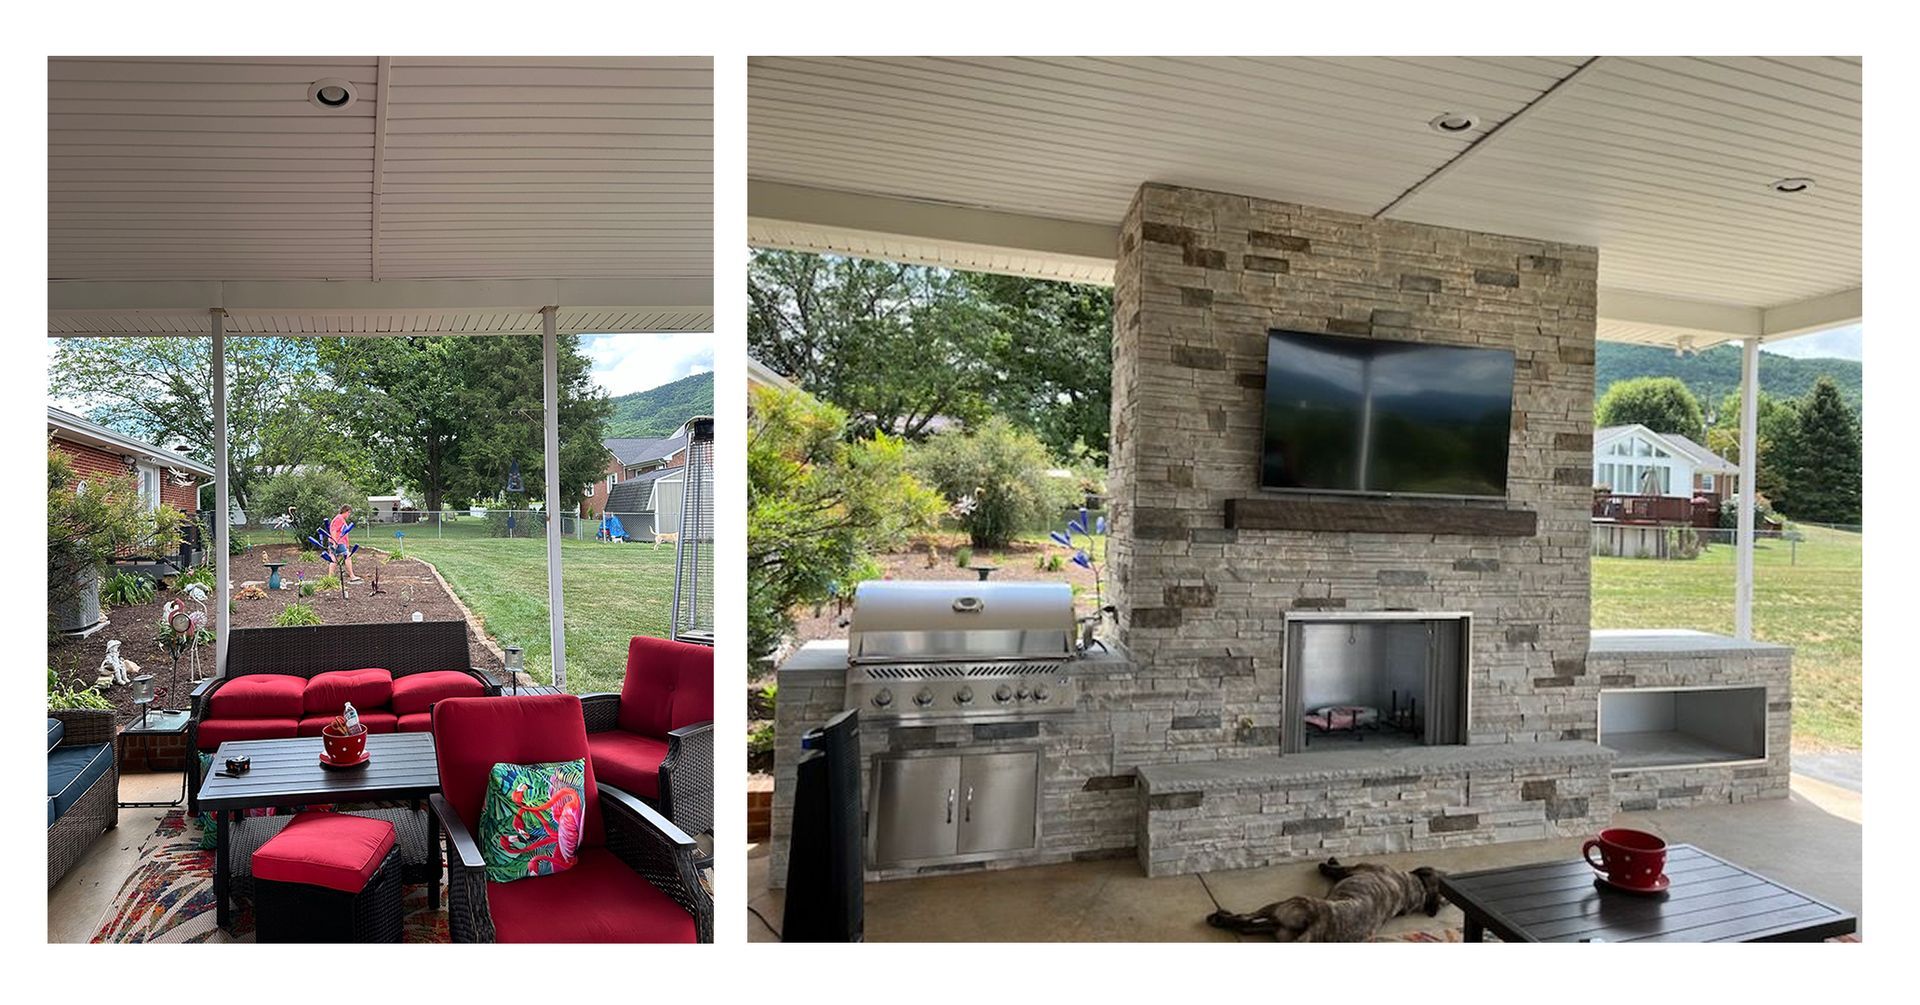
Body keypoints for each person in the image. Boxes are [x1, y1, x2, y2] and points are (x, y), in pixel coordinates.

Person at [328, 503, 363, 583]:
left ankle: (330, 578)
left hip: (339, 542)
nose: (349, 515)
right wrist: (335, 542)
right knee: (347, 556)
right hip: (338, 542)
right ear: (346, 511)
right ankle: (352, 576)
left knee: (334, 559)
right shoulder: (339, 519)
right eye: (349, 513)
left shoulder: (340, 519)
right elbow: (334, 530)